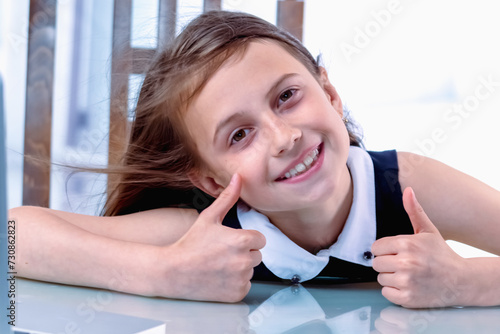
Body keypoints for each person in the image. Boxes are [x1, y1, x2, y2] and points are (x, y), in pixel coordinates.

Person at [10, 11, 500, 308]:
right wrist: (159, 271)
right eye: (240, 134)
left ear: (329, 93)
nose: (284, 137)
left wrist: (465, 283)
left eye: (287, 96)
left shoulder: (410, 187)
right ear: (207, 177)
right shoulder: (203, 232)